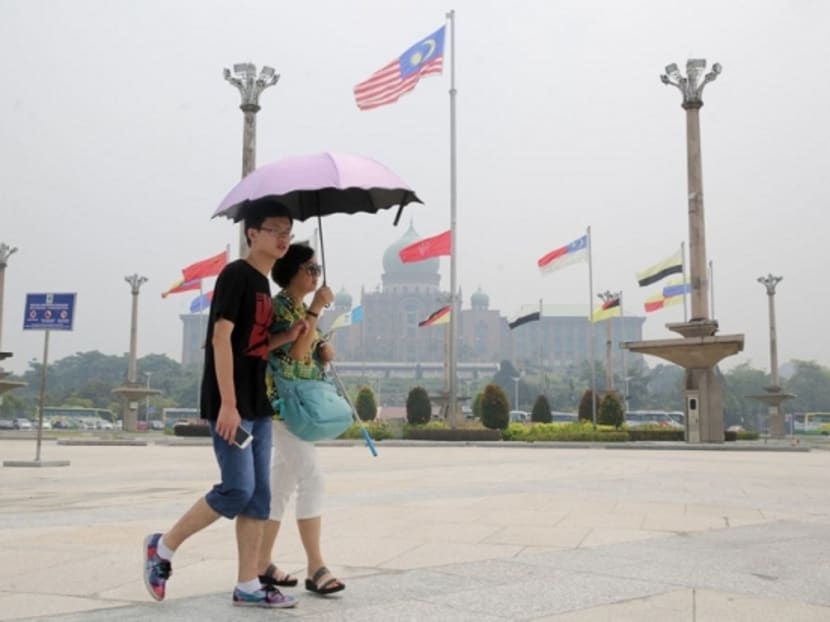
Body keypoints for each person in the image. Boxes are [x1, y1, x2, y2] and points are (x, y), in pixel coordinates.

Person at [143, 202, 306, 609]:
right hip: (232, 402)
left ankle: (248, 583)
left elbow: (251, 348)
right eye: (274, 229)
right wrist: (228, 405)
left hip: (257, 401)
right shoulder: (236, 275)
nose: (283, 236)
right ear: (252, 233)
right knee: (237, 489)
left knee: (259, 497)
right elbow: (220, 339)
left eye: (288, 229)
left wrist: (287, 337)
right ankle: (162, 547)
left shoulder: (263, 285)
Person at [257, 242, 346, 596]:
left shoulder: (299, 307)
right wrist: (317, 308)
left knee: (282, 484)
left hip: (298, 405)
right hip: (284, 406)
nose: (315, 274)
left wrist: (324, 351)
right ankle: (316, 566)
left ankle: (261, 562)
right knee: (313, 478)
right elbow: (293, 356)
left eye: (317, 269)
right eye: (309, 268)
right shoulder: (282, 306)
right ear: (292, 271)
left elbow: (309, 355)